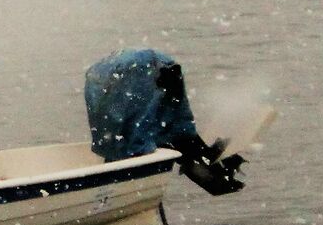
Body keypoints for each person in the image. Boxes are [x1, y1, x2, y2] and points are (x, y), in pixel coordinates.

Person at [83, 47, 246, 195]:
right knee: (158, 140)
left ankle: (214, 168)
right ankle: (214, 170)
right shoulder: (154, 90)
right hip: (144, 70)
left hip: (114, 74)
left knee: (154, 137)